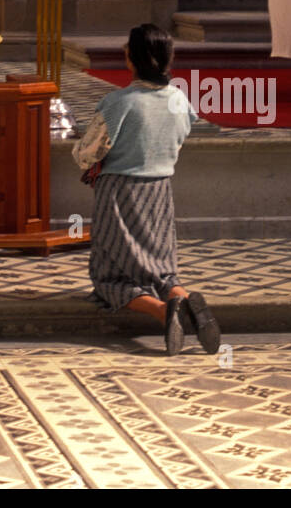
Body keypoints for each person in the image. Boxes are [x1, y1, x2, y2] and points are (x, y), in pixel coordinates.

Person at [70, 23, 221, 356]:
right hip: (160, 191)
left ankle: (164, 312)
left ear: (131, 58)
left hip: (120, 194)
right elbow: (178, 140)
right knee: (163, 270)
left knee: (111, 277)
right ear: (168, 58)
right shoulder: (180, 100)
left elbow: (87, 153)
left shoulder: (119, 102)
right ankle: (184, 300)